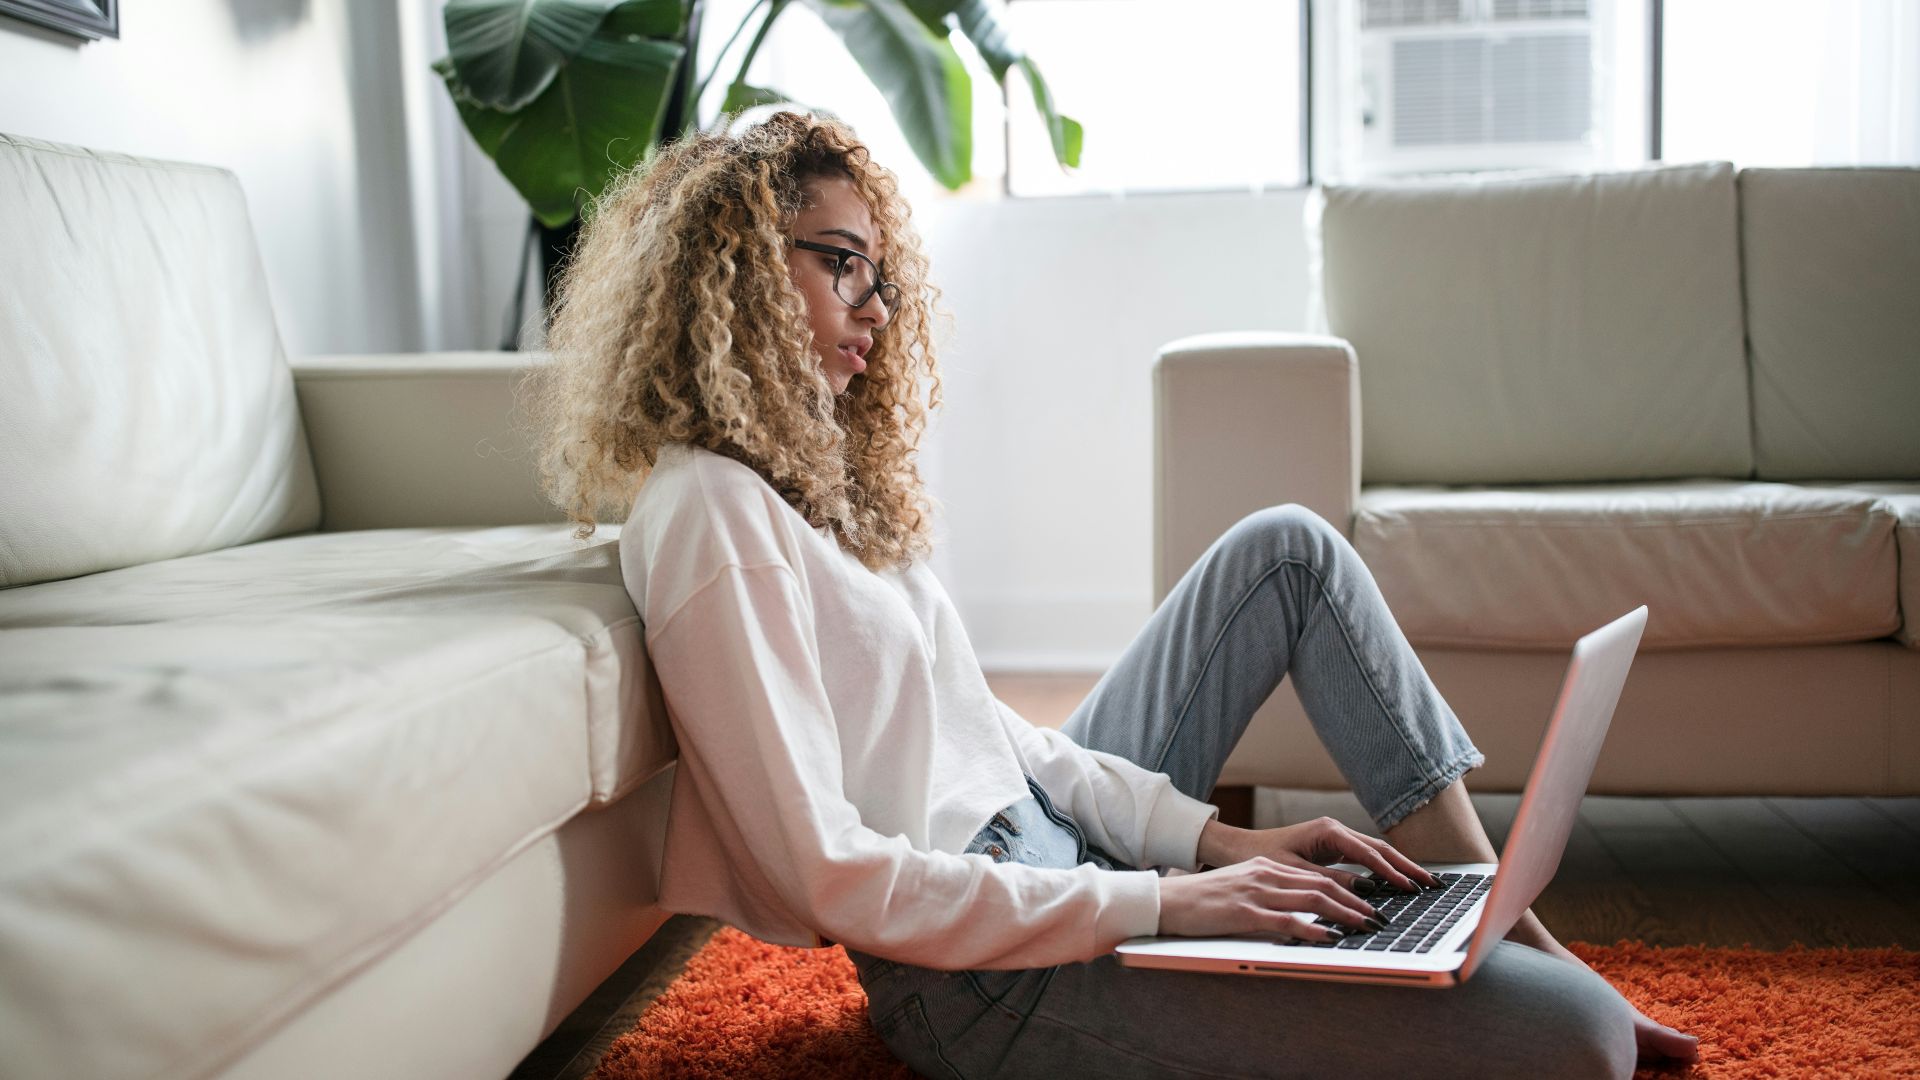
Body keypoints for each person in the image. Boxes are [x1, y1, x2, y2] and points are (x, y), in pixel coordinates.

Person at [528, 109, 1699, 1078]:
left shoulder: (815, 489)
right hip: (982, 983)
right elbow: (825, 870)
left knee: (1289, 551)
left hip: (1057, 862)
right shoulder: (708, 514)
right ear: (729, 275)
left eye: (881, 275)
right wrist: (1163, 903)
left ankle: (1497, 917)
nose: (876, 309)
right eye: (840, 262)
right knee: (1577, 1043)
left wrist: (1212, 842)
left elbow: (995, 739)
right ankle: (1522, 967)